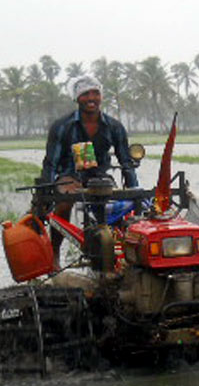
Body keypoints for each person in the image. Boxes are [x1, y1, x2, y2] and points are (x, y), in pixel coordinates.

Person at [40, 74, 139, 268]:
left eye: (95, 93)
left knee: (118, 208)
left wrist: (134, 191)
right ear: (77, 98)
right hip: (69, 175)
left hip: (100, 176)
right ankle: (55, 255)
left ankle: (117, 253)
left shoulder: (114, 127)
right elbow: (51, 162)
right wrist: (47, 192)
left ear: (101, 97)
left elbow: (126, 162)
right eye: (85, 94)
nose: (91, 98)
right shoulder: (62, 127)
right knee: (65, 202)